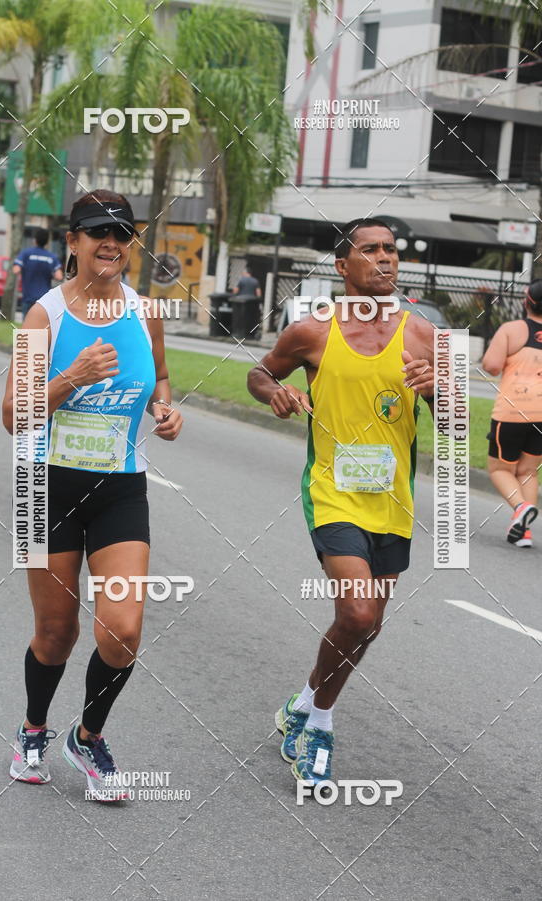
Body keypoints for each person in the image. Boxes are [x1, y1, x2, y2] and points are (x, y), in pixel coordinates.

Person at [2, 189, 183, 800]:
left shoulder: (145, 311)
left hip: (119, 489)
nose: (111, 242)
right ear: (72, 241)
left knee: (123, 628)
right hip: (42, 486)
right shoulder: (44, 317)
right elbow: (12, 416)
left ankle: (87, 735)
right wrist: (69, 379)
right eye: (97, 231)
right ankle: (33, 729)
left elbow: (158, 375)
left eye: (123, 232)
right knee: (56, 632)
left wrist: (164, 406)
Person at [247, 218, 435, 786]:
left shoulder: (423, 334)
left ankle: (302, 703)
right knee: (355, 611)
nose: (385, 259)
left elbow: (452, 425)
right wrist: (275, 391)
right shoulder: (312, 331)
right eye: (371, 250)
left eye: (392, 251)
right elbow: (258, 373)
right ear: (342, 266)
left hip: (393, 501)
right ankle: (321, 726)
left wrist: (440, 390)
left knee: (368, 625)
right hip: (332, 493)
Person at [481, 279, 542, 547]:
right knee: (528, 471)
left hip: (512, 412)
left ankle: (520, 508)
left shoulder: (512, 330)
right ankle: (524, 532)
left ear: (526, 300)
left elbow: (492, 366)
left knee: (498, 469)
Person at [13, 227, 64, 319]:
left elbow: (16, 269)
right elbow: (59, 276)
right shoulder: (51, 257)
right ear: (47, 242)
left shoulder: (26, 254)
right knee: (40, 327)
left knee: (27, 329)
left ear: (35, 240)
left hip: (28, 298)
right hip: (44, 301)